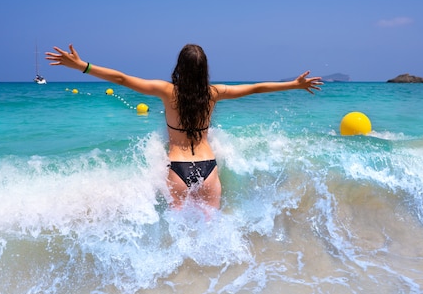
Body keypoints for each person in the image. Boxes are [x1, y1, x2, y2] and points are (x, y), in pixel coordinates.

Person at [46, 43, 322, 209]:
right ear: (204, 70)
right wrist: (294, 85)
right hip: (209, 166)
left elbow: (121, 78)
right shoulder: (214, 93)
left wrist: (83, 66)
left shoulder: (167, 91)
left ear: (179, 67)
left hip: (177, 167)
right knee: (211, 227)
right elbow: (256, 88)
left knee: (179, 232)